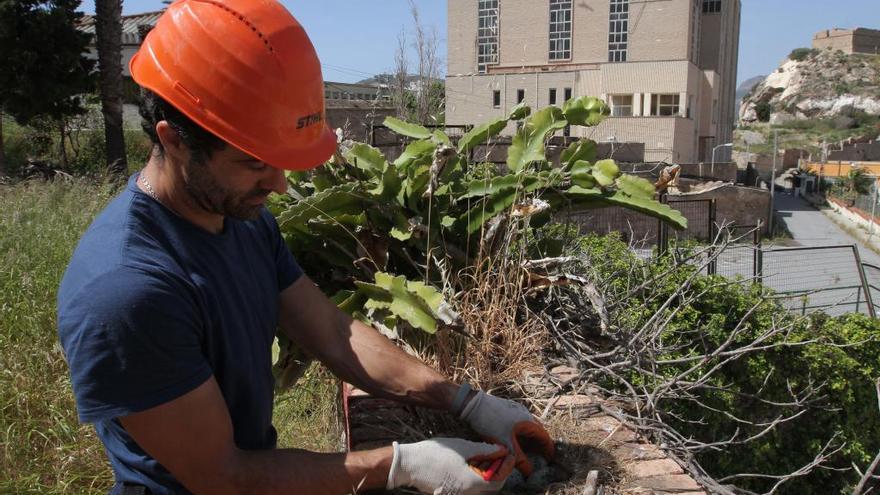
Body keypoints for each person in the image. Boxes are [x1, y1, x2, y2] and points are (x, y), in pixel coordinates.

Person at [56, 1, 553, 494]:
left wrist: (465, 402)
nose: (280, 186)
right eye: (255, 164)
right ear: (176, 140)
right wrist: (402, 465)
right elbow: (221, 477)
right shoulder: (126, 293)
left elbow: (336, 334)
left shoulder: (242, 222)